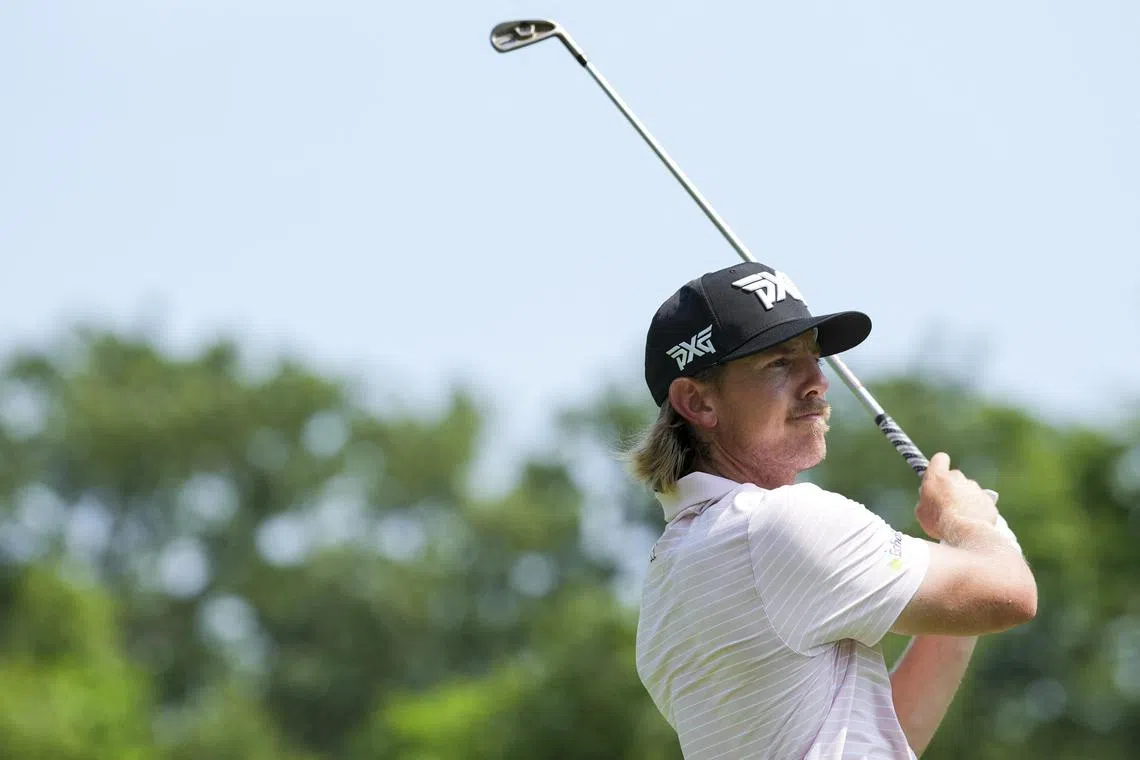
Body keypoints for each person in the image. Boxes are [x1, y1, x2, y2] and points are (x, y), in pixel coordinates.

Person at [630, 261, 1037, 759]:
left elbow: (882, 738)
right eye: (779, 362)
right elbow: (1011, 594)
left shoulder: (671, 568)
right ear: (698, 402)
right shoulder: (779, 523)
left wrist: (964, 556)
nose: (817, 382)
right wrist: (966, 521)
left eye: (814, 356)